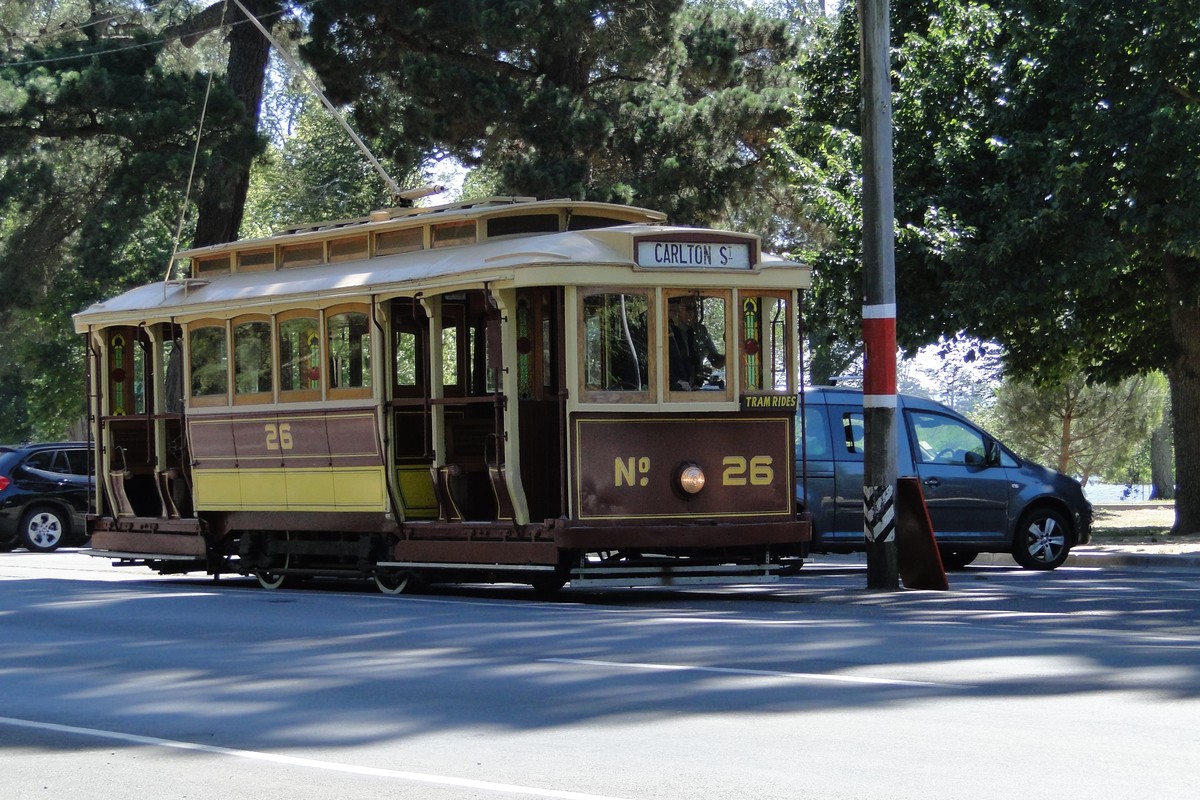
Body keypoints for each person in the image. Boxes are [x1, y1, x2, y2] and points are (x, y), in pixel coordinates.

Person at [667, 297, 725, 390]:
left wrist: (731, 353)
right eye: (688, 308)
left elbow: (716, 362)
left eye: (695, 308)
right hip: (674, 386)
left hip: (696, 386)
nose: (692, 313)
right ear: (676, 309)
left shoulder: (700, 331)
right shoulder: (667, 330)